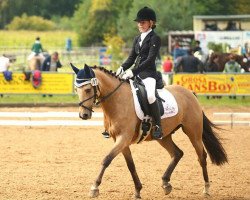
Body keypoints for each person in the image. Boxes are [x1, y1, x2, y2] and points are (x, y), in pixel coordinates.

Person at [116, 6, 162, 140]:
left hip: (149, 74)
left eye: (143, 22)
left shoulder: (155, 38)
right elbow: (131, 58)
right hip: (135, 74)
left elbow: (149, 60)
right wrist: (122, 68)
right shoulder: (137, 38)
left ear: (151, 23)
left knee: (151, 96)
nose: (140, 24)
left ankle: (158, 126)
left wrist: (133, 71)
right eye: (139, 22)